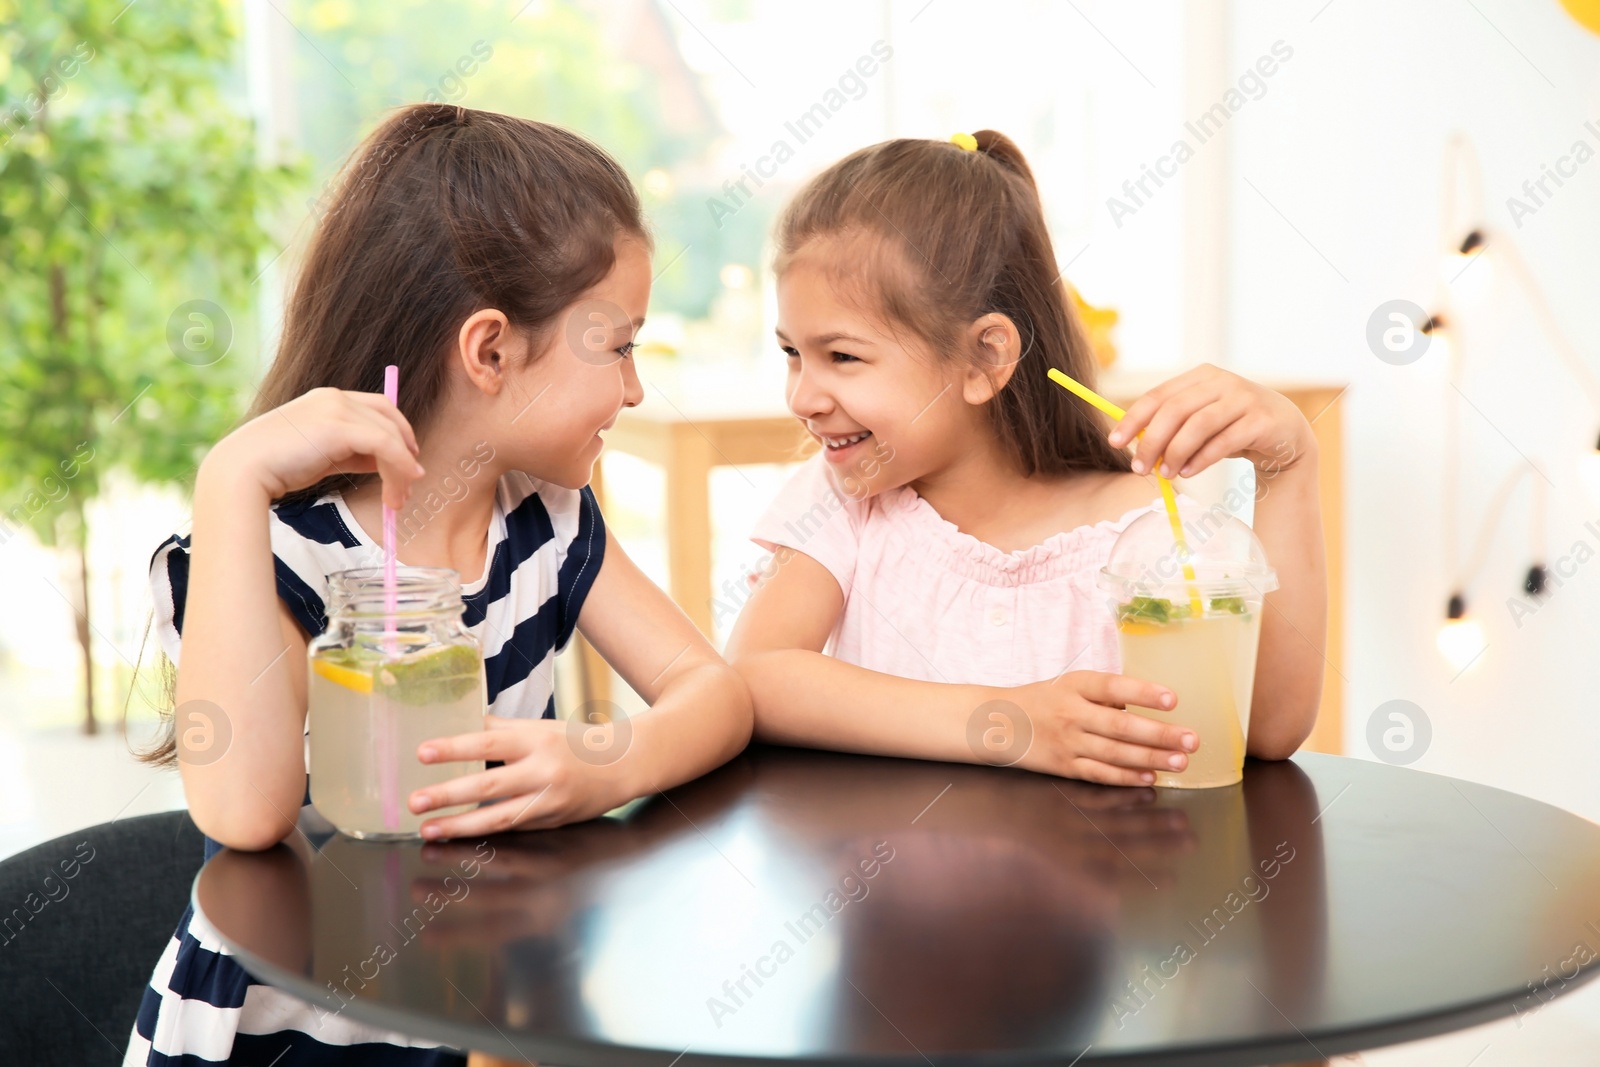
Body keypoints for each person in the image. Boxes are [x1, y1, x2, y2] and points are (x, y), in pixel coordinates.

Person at [124, 103, 752, 1066]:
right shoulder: (273, 551)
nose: (634, 390)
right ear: (491, 351)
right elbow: (244, 812)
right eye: (619, 346)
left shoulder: (546, 523)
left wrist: (609, 763)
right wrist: (232, 477)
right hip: (276, 1035)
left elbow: (716, 695)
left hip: (453, 1017)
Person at [727, 130, 1326, 786]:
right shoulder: (842, 500)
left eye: (842, 356)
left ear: (986, 358)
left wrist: (1288, 468)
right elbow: (756, 675)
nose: (802, 396)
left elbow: (1262, 730)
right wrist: (1009, 722)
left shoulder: (1145, 530)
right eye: (791, 353)